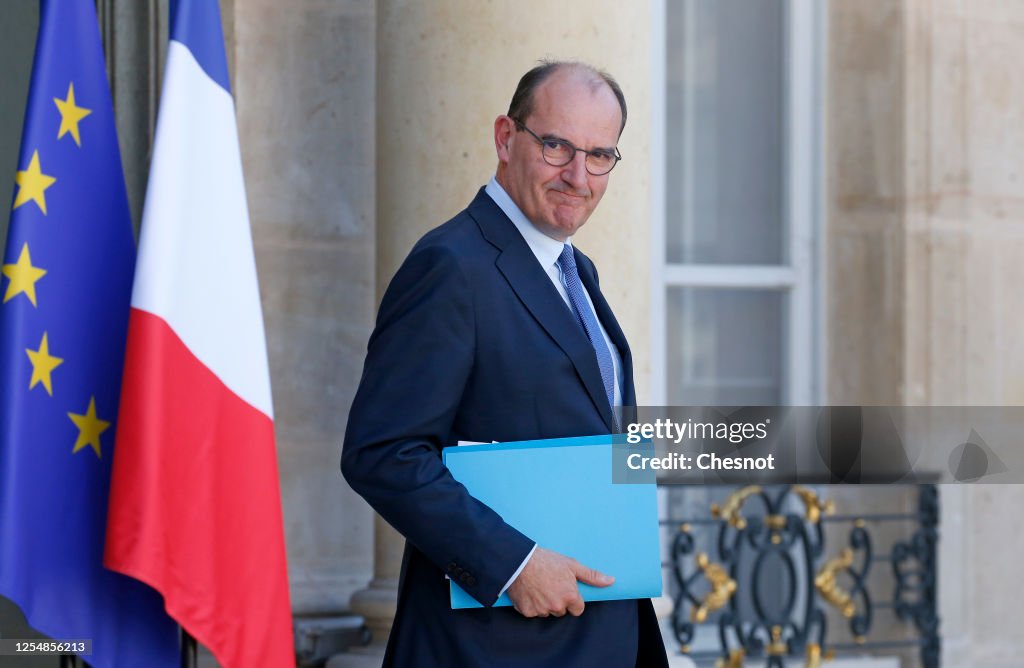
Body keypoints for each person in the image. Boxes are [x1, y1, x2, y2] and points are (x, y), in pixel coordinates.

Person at [341, 61, 668, 667]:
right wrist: (512, 563)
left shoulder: (576, 272)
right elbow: (382, 453)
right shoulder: (451, 265)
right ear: (505, 138)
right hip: (494, 646)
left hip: (599, 637)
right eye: (556, 146)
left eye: (600, 155)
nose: (578, 175)